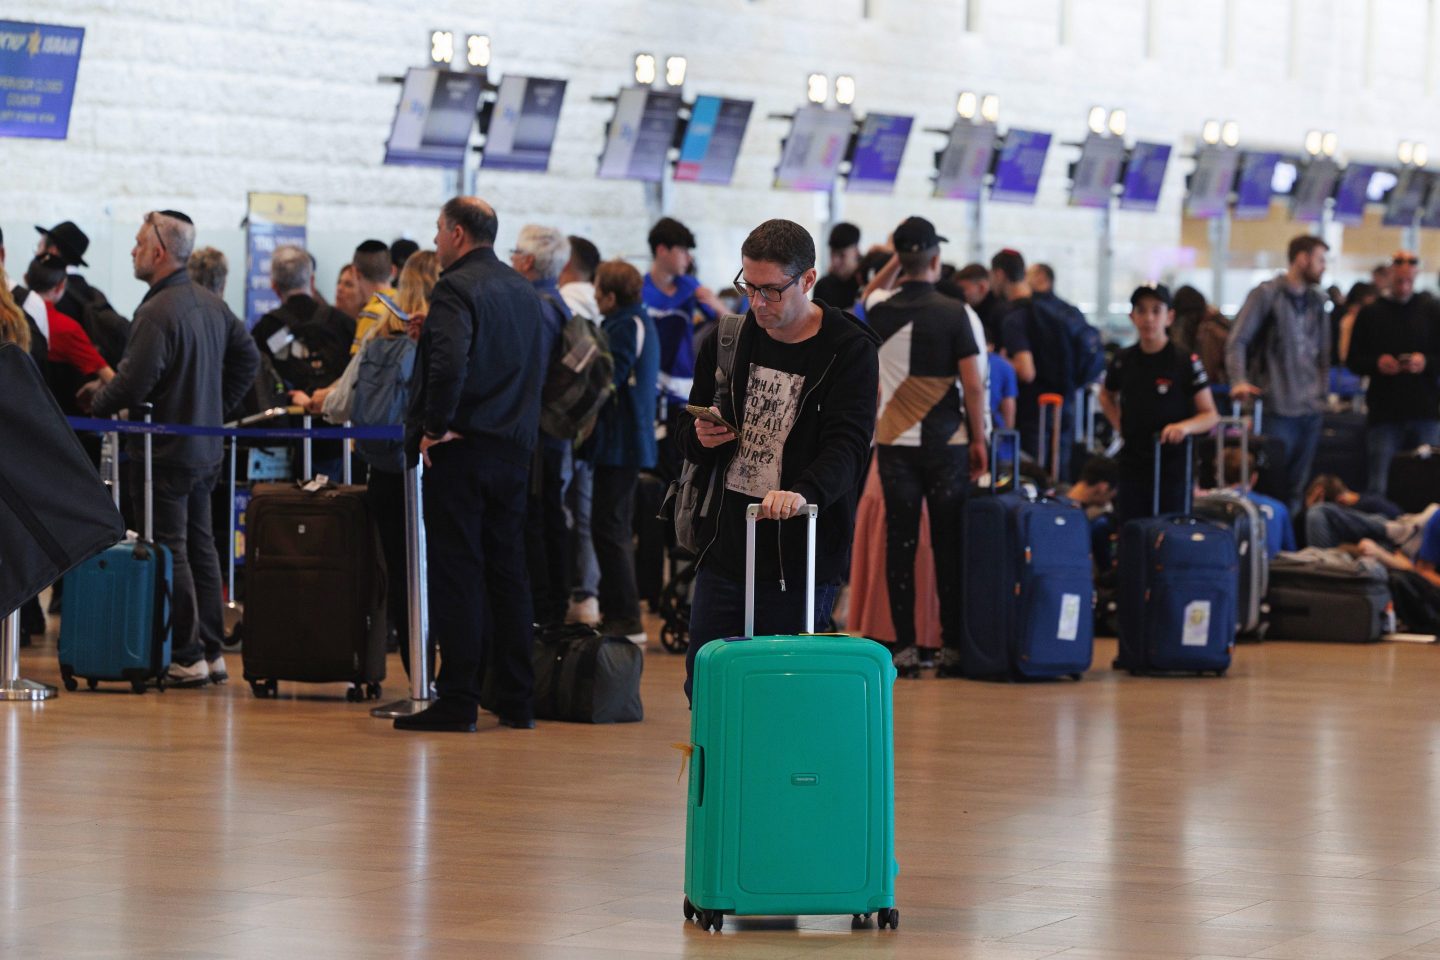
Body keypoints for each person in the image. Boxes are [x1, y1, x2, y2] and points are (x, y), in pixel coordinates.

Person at [678, 219, 880, 700]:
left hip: (801, 555)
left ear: (807, 280)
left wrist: (803, 493)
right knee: (707, 685)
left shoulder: (848, 350)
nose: (757, 303)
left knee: (785, 694)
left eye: (771, 290)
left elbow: (849, 447)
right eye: (748, 286)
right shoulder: (727, 339)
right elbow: (688, 436)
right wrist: (700, 437)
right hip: (726, 544)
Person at [77, 210, 261, 688]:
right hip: (204, 448)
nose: (132, 251)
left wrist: (97, 403)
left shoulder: (157, 312)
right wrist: (214, 407)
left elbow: (133, 383)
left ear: (159, 252)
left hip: (165, 455)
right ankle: (211, 651)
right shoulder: (211, 304)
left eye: (139, 244)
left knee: (171, 548)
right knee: (202, 547)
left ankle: (186, 653)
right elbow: (249, 359)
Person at [396, 197, 544, 733]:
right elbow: (515, 360)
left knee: (457, 571)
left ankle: (458, 697)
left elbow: (452, 363)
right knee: (508, 573)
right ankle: (517, 699)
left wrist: (435, 426)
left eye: (439, 229)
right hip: (513, 450)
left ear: (458, 233)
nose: (435, 239)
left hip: (462, 449)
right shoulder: (522, 290)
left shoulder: (455, 287)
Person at [865, 217, 988, 676]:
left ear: (900, 260)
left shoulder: (878, 309)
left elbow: (868, 292)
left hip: (894, 441)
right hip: (946, 443)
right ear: (936, 259)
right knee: (947, 542)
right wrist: (979, 439)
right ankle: (951, 646)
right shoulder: (955, 313)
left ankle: (904, 648)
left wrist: (897, 259)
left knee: (900, 542)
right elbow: (973, 385)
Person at [311, 250, 437, 681]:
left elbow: (340, 403)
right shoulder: (445, 338)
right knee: (441, 572)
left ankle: (418, 677)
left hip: (385, 469)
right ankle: (447, 678)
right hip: (433, 468)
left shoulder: (380, 333)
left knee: (401, 574)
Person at [1226, 235, 1331, 512]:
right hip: (1276, 407)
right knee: (1272, 485)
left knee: (1298, 488)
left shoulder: (1318, 301)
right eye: (1320, 260)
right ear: (1302, 258)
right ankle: (1269, 536)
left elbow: (1324, 354)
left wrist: (1322, 395)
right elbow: (1237, 341)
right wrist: (1239, 381)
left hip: (1310, 408)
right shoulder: (1266, 295)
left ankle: (1287, 537)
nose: (1324, 267)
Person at [1100, 285, 1219, 525]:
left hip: (1172, 464)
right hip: (1133, 461)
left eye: (1156, 311)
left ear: (1169, 317)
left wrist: (1183, 427)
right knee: (1132, 529)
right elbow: (1106, 395)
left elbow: (1210, 415)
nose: (1149, 318)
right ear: (1132, 317)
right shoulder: (1123, 360)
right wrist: (1120, 424)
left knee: (1170, 529)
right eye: (1141, 310)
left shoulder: (1184, 361)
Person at [587, 260, 660, 643]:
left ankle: (625, 617)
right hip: (623, 442)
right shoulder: (633, 320)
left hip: (621, 443)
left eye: (598, 289)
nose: (594, 295)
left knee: (610, 528)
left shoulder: (626, 325)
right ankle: (619, 613)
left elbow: (607, 379)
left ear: (611, 297)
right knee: (611, 526)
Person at [510, 224, 574, 628]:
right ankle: (553, 604)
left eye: (515, 252)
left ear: (528, 261)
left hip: (534, 432)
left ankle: (544, 610)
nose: (511, 259)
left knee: (537, 518)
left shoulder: (534, 306)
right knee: (550, 513)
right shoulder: (558, 302)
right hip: (553, 430)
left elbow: (527, 374)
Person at [1346, 250, 1440, 494]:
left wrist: (1425, 362)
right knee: (1380, 483)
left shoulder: (1432, 310)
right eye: (1399, 278)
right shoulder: (1371, 313)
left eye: (1409, 277)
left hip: (1425, 411)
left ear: (1416, 274)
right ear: (1390, 274)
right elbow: (1353, 360)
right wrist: (1377, 363)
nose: (1404, 283)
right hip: (1385, 414)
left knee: (1429, 483)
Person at [644, 217, 724, 476]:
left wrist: (714, 302)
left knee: (678, 460)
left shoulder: (690, 287)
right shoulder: (640, 289)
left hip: (681, 385)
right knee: (652, 462)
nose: (688, 258)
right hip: (650, 386)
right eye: (682, 250)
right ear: (662, 250)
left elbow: (728, 321)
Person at [1002, 258, 1091, 481]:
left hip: (1035, 402)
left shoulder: (1025, 313)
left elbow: (1027, 370)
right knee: (1061, 461)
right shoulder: (1068, 312)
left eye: (1029, 275)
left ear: (1042, 278)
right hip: (1067, 396)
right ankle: (1060, 499)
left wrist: (1003, 361)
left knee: (1035, 467)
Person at [558, 235, 603, 625]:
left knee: (561, 509)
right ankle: (587, 594)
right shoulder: (601, 303)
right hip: (593, 426)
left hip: (561, 427)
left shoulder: (563, 304)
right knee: (586, 514)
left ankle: (567, 593)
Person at [24, 255, 114, 411]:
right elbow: (110, 379)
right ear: (61, 286)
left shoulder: (11, 319)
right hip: (56, 418)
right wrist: (98, 386)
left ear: (26, 279)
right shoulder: (66, 328)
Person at [35, 220, 130, 368]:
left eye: (39, 247)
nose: (36, 254)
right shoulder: (93, 293)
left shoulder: (51, 294)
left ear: (52, 252)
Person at [1219, 447, 1296, 559]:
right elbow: (1291, 556)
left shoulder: (1211, 507)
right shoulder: (1278, 508)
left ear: (1218, 475)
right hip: (1269, 569)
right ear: (1254, 477)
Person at [349, 240, 398, 352]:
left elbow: (359, 360)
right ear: (393, 270)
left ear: (355, 272)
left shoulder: (371, 314)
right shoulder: (406, 305)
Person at [812, 222, 863, 311]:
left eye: (842, 255)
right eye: (832, 254)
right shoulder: (823, 286)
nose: (835, 261)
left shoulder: (867, 282)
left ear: (856, 251)